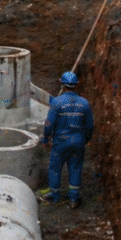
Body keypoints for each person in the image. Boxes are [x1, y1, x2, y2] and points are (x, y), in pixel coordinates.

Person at [39, 71, 94, 209]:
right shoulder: (85, 103)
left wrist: (45, 137)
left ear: (62, 84)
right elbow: (90, 126)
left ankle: (54, 195)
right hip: (78, 142)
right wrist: (85, 139)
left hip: (61, 143)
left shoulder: (57, 103)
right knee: (75, 168)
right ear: (76, 85)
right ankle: (73, 199)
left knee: (55, 168)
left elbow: (49, 123)